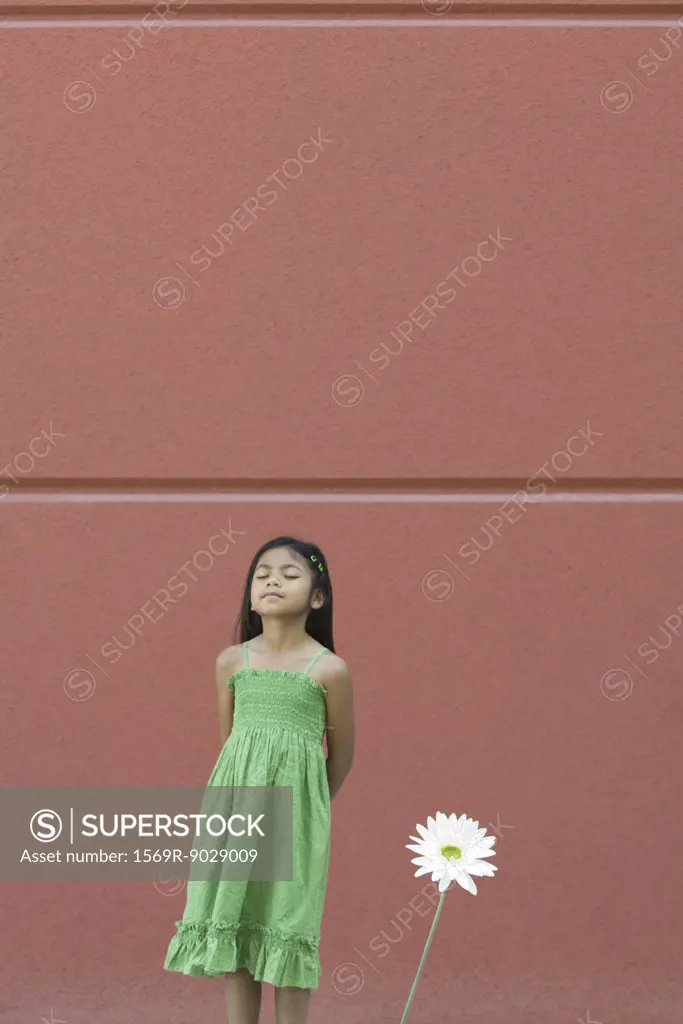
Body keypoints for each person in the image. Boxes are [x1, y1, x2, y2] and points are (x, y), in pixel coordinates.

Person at [163, 535, 355, 1024]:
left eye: (290, 575)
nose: (273, 581)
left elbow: (342, 757)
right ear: (250, 592)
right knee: (238, 929)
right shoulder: (233, 662)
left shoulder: (329, 670)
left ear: (318, 596)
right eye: (262, 573)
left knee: (288, 930)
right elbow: (231, 744)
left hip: (296, 821)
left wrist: (307, 810)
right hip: (234, 815)